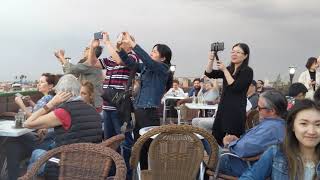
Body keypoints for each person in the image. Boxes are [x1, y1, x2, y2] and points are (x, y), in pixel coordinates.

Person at [24, 74, 102, 179]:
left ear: (61, 93)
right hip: (89, 164)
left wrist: (51, 103)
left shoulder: (64, 112)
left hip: (65, 167)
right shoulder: (93, 110)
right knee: (38, 153)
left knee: (36, 156)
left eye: (56, 93)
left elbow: (28, 123)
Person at [117, 32, 172, 170]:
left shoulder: (163, 69)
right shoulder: (148, 68)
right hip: (140, 111)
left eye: (155, 51)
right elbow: (131, 63)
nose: (151, 53)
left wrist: (132, 44)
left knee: (149, 148)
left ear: (163, 58)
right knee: (139, 146)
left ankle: (149, 173)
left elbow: (148, 60)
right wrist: (120, 49)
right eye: (152, 51)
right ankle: (140, 173)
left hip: (149, 114)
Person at [240, 99, 320, 179]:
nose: (311, 131)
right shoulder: (277, 153)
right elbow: (250, 177)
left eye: (318, 124)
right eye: (304, 124)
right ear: (293, 126)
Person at [219, 90, 287, 177]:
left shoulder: (271, 129)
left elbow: (244, 150)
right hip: (243, 162)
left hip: (238, 165)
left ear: (272, 111)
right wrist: (238, 140)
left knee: (200, 142)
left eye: (259, 108)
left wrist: (229, 143)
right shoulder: (277, 125)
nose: (257, 110)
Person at [205, 43, 253, 145]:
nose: (234, 54)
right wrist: (211, 60)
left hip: (235, 111)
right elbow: (209, 73)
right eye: (233, 52)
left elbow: (235, 87)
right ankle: (216, 159)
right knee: (216, 138)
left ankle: (230, 160)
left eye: (238, 52)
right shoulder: (229, 68)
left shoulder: (247, 71)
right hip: (223, 108)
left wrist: (225, 70)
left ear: (245, 55)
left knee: (231, 142)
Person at [54, 46, 104, 111]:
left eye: (88, 48)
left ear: (92, 52)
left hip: (93, 103)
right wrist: (62, 61)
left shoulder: (91, 63)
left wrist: (61, 56)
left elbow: (71, 69)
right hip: (93, 102)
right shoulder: (92, 63)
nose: (85, 48)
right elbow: (71, 73)